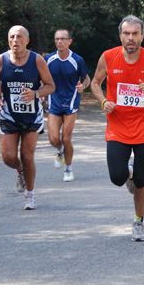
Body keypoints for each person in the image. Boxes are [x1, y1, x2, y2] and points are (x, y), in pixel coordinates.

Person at [91, 15, 144, 242]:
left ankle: (138, 221)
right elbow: (95, 83)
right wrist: (103, 101)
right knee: (117, 177)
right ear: (120, 36)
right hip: (117, 126)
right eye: (127, 33)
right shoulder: (108, 57)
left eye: (135, 33)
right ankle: (130, 174)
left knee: (142, 181)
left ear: (142, 36)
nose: (131, 38)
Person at [0, 25, 55, 210]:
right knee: (9, 158)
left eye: (19, 37)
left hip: (32, 116)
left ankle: (30, 194)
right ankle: (20, 170)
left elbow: (51, 86)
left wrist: (35, 93)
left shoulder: (37, 60)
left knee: (27, 156)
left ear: (27, 41)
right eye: (11, 37)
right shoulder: (1, 60)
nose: (15, 40)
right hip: (9, 115)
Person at [45, 29, 91, 182]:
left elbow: (87, 79)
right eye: (57, 39)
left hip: (71, 102)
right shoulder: (48, 59)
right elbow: (42, 79)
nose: (60, 42)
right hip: (54, 101)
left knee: (66, 138)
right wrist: (41, 93)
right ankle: (60, 151)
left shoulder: (77, 60)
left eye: (63, 39)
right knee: (53, 139)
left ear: (70, 41)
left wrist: (83, 87)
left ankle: (68, 169)